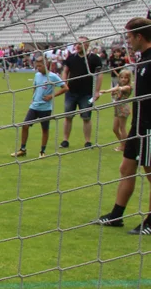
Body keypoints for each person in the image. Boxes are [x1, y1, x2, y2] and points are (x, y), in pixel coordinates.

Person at [97, 19, 151, 233]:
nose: (127, 41)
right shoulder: (143, 59)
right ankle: (116, 216)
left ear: (139, 37)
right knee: (126, 168)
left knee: (149, 172)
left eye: (129, 37)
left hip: (148, 126)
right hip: (138, 125)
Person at [11, 54, 67, 159]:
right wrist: (33, 98)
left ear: (46, 65)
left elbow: (65, 88)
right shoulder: (37, 75)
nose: (38, 68)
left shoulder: (53, 76)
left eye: (40, 66)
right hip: (34, 106)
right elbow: (35, 87)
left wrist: (51, 96)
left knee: (44, 129)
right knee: (25, 125)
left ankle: (42, 151)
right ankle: (22, 149)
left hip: (45, 108)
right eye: (37, 65)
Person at [60, 36, 103, 149]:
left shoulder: (94, 58)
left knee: (86, 117)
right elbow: (65, 71)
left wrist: (97, 91)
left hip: (87, 93)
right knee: (68, 116)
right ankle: (65, 140)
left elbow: (99, 75)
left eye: (80, 44)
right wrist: (64, 84)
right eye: (76, 44)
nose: (77, 46)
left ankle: (87, 141)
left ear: (87, 45)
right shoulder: (71, 58)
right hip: (71, 92)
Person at [111, 68, 133, 153]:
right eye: (122, 77)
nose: (123, 79)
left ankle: (124, 147)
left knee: (122, 128)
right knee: (115, 129)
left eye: (125, 78)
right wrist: (104, 91)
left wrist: (115, 90)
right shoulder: (119, 85)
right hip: (117, 107)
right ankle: (124, 145)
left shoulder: (128, 87)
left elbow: (120, 89)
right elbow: (114, 89)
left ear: (128, 79)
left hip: (123, 108)